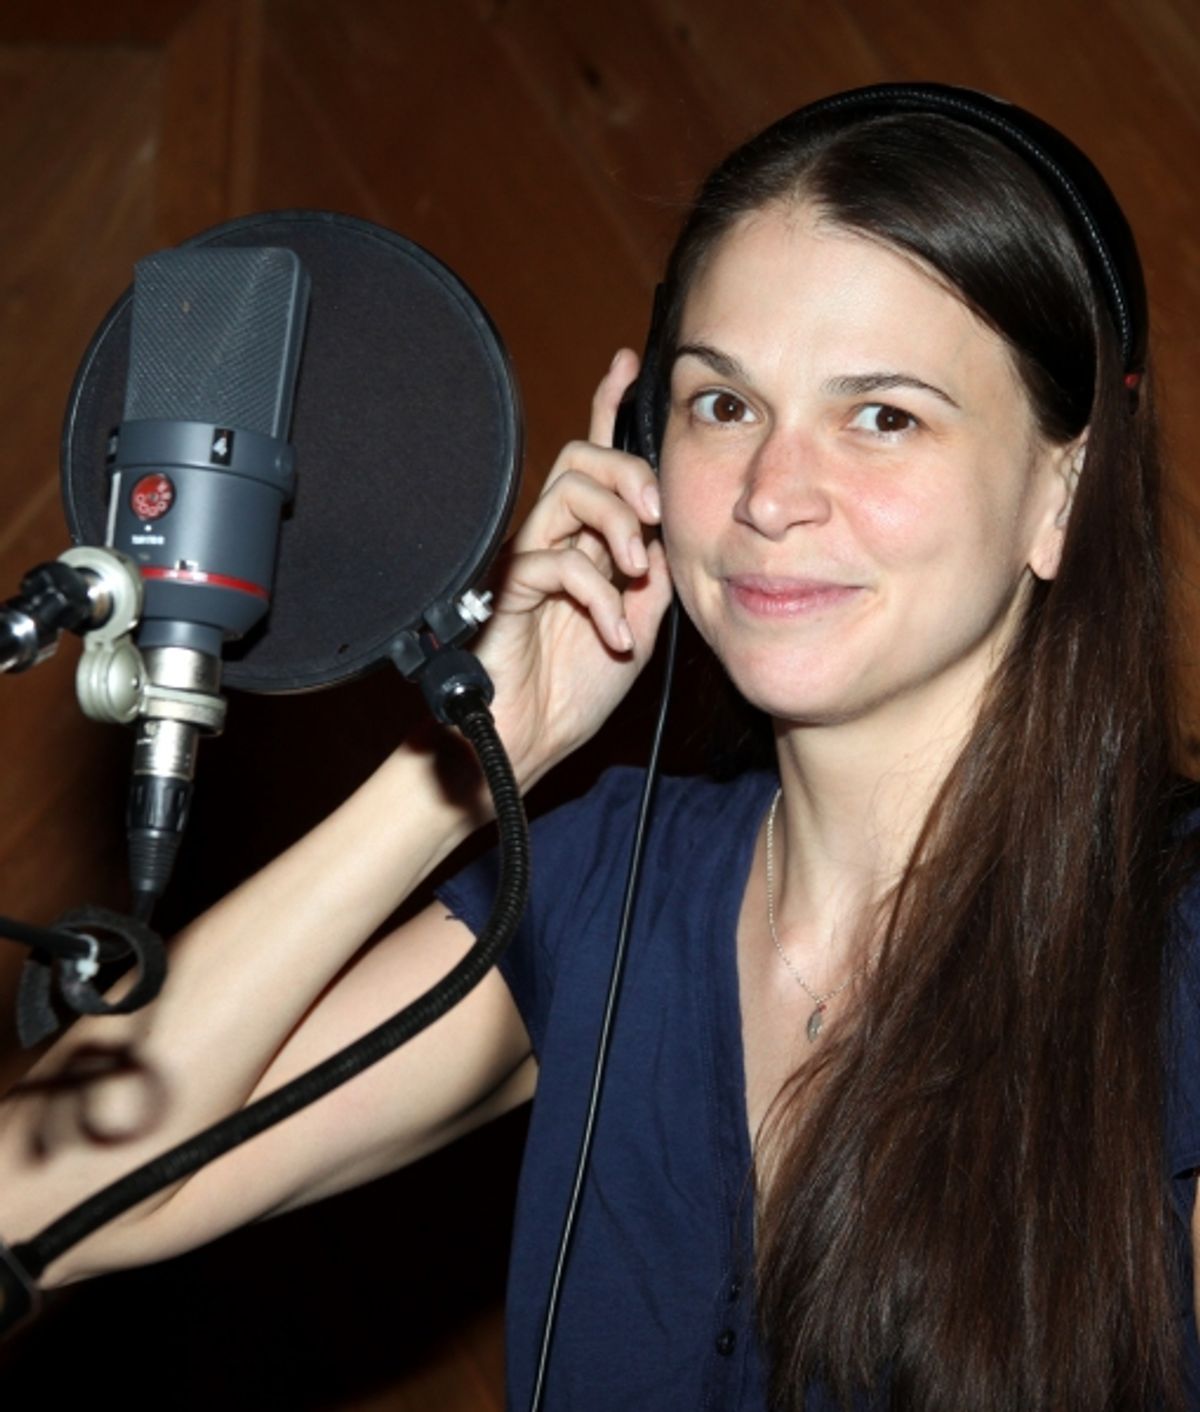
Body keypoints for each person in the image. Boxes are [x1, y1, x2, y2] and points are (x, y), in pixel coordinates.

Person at [2, 84, 1197, 1410]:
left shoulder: (1181, 945)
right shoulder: (602, 889)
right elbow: (35, 1197)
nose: (770, 496)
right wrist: (475, 754)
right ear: (639, 450)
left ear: (1061, 493)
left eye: (883, 417)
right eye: (722, 405)